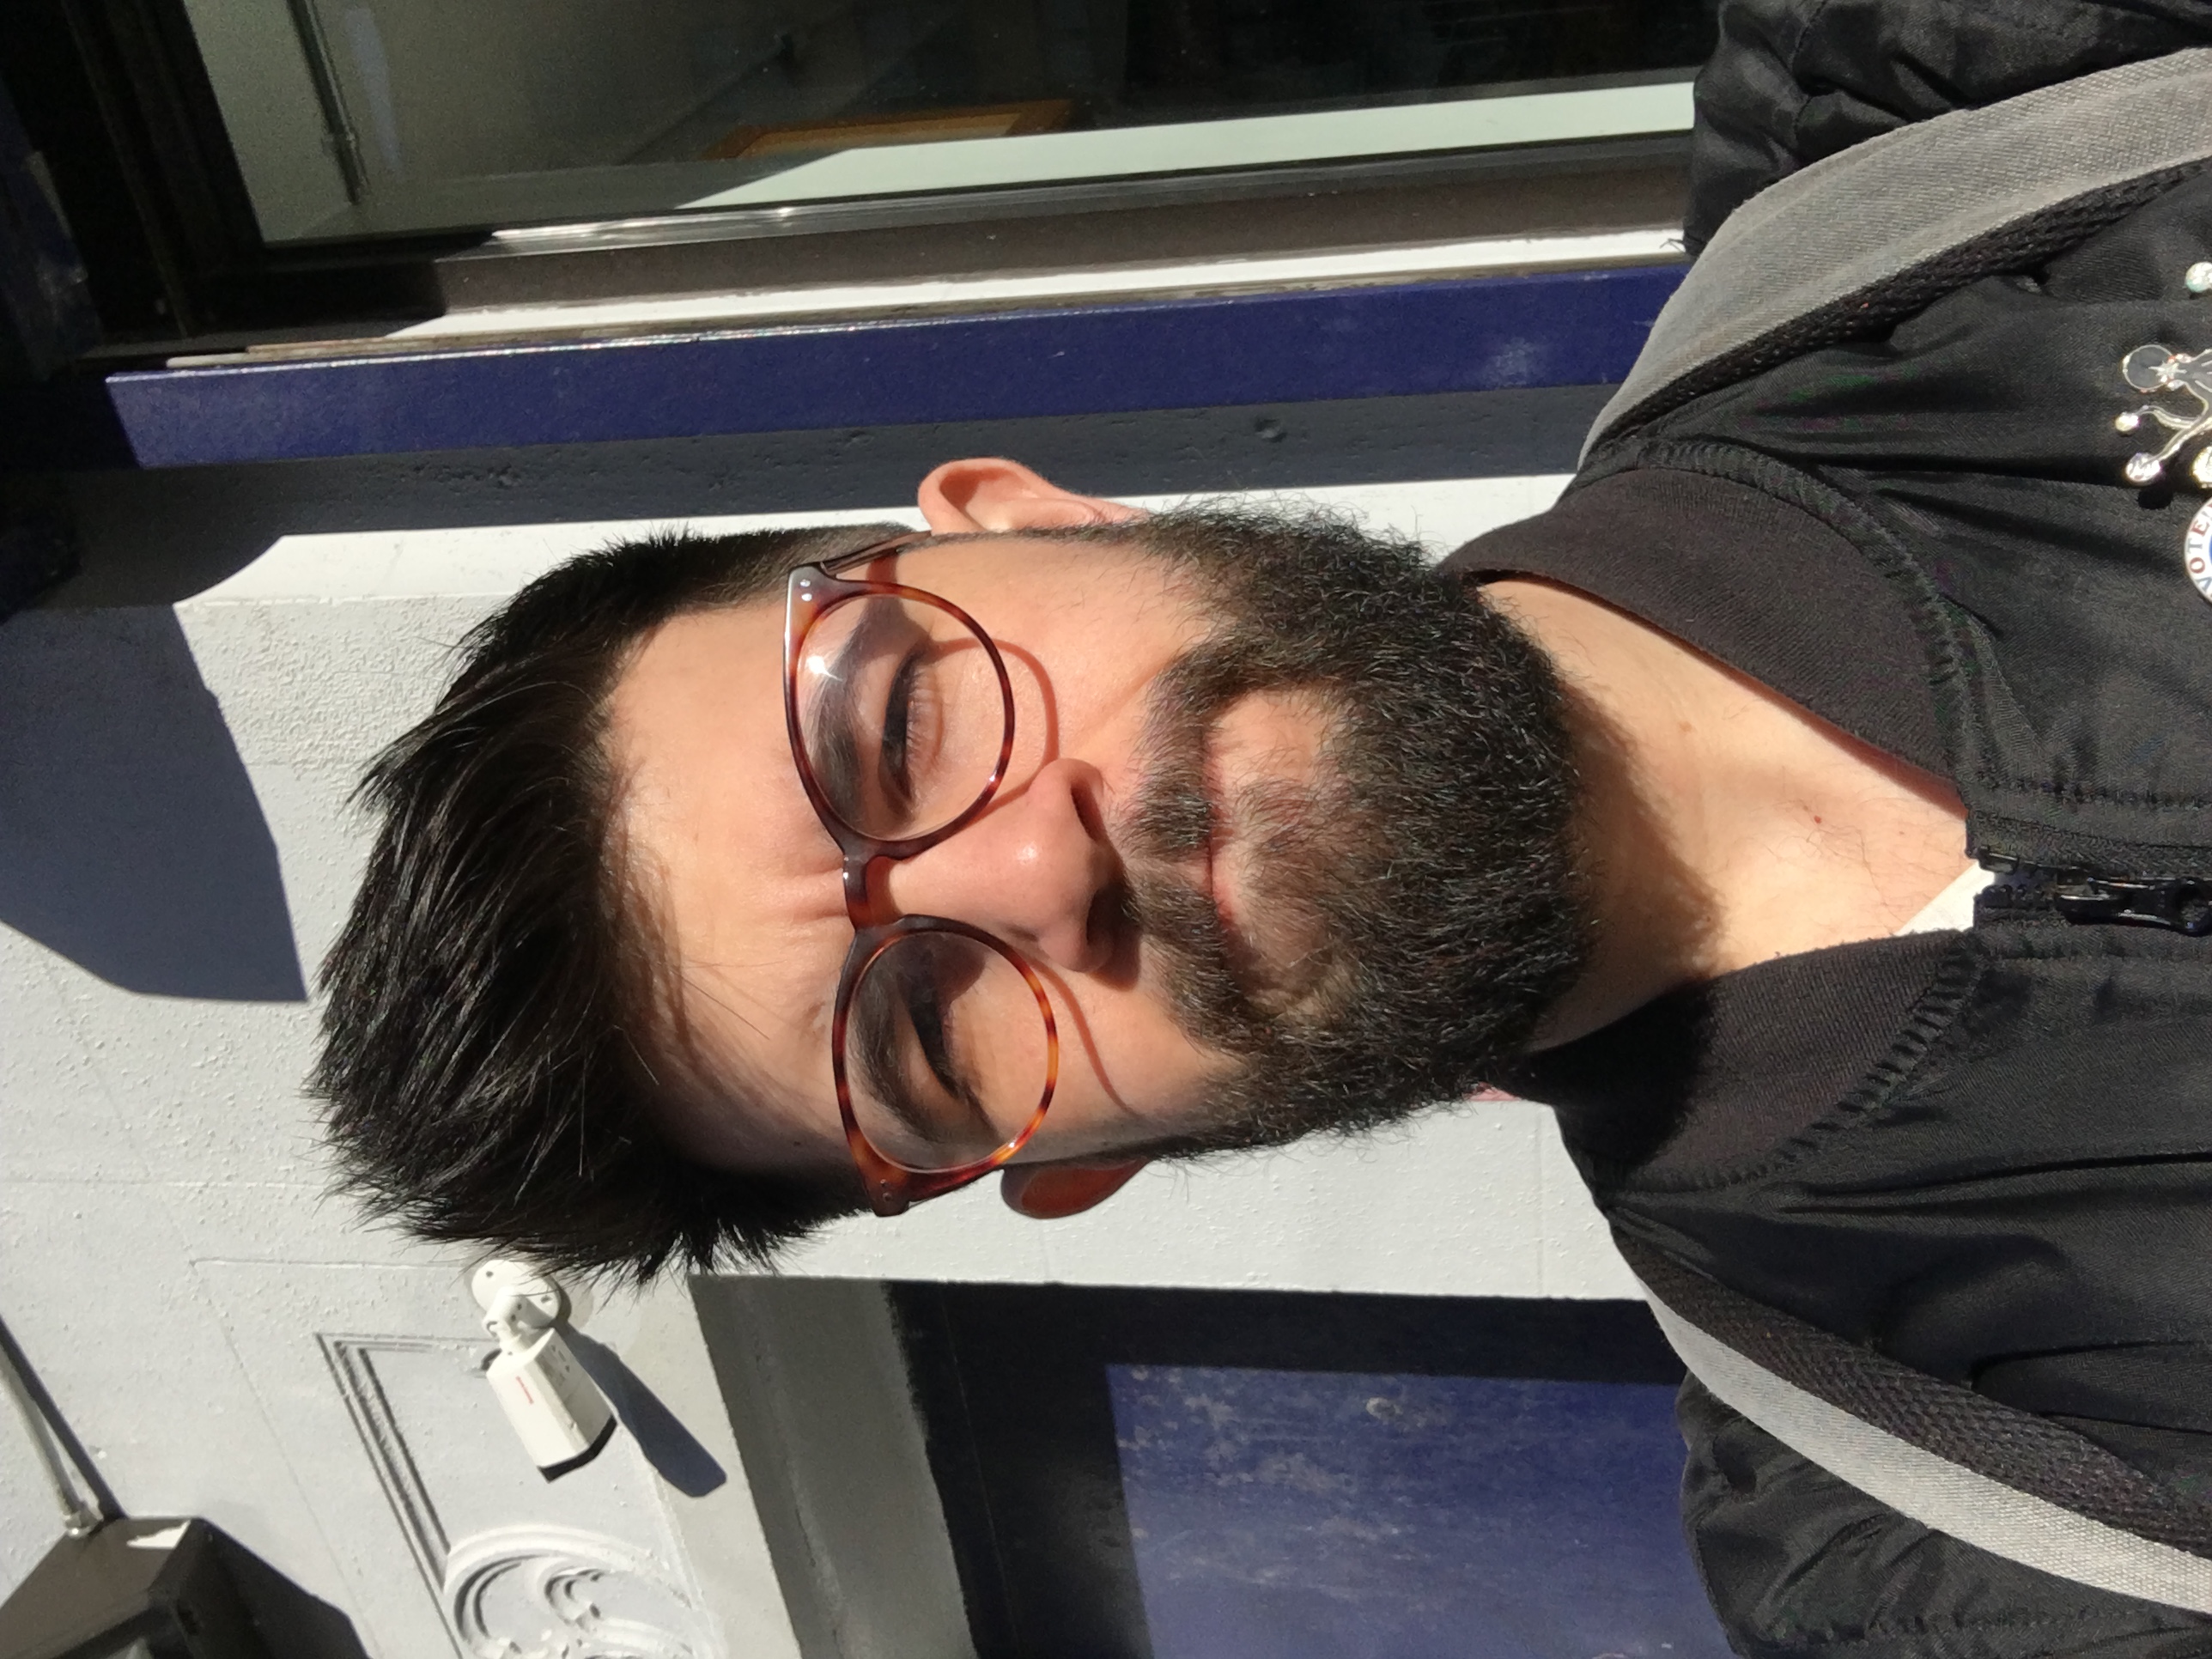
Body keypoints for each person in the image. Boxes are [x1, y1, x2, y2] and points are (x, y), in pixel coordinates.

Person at [315, 3, 2212, 1650]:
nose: (1036, 869)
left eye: (897, 726)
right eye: (923, 1032)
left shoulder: (1960, 97)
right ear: (1071, 1167)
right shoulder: (1967, 1555)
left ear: (1028, 515)